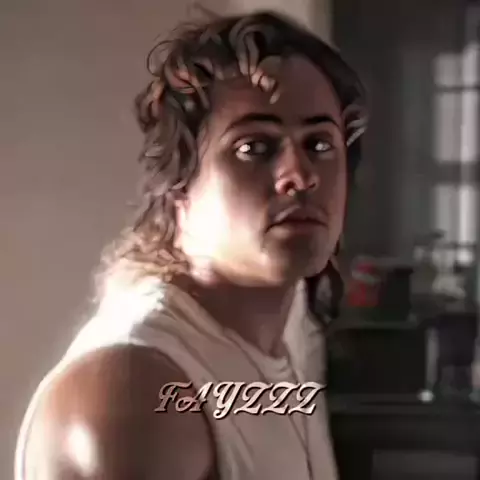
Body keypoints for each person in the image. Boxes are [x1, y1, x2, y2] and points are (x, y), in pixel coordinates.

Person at [15, 10, 367, 480]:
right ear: (179, 186)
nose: (300, 176)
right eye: (254, 148)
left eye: (320, 145)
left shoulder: (285, 345)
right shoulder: (141, 385)